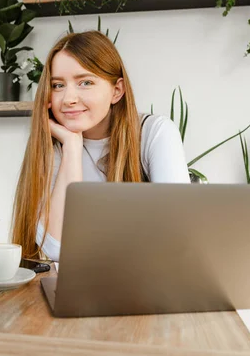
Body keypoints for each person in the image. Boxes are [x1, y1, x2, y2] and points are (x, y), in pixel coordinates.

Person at [11, 30, 190, 262]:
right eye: (58, 85)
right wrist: (72, 148)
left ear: (117, 91)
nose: (68, 98)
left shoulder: (154, 133)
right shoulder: (55, 145)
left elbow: (180, 235)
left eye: (85, 82)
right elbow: (57, 249)